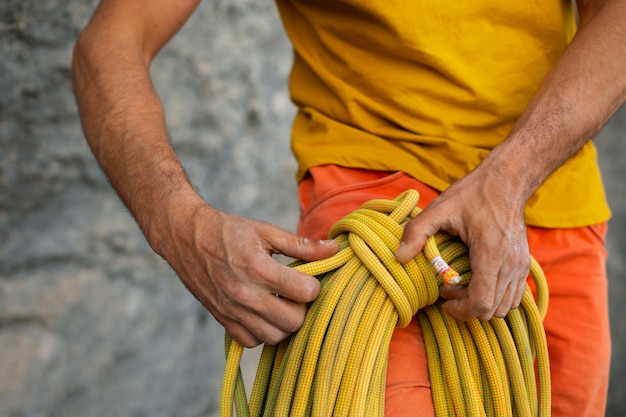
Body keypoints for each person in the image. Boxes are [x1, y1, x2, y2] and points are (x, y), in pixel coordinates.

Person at [72, 1, 624, 416]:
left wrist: (511, 175)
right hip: (380, 225)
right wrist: (180, 225)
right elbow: (111, 42)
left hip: (550, 199)